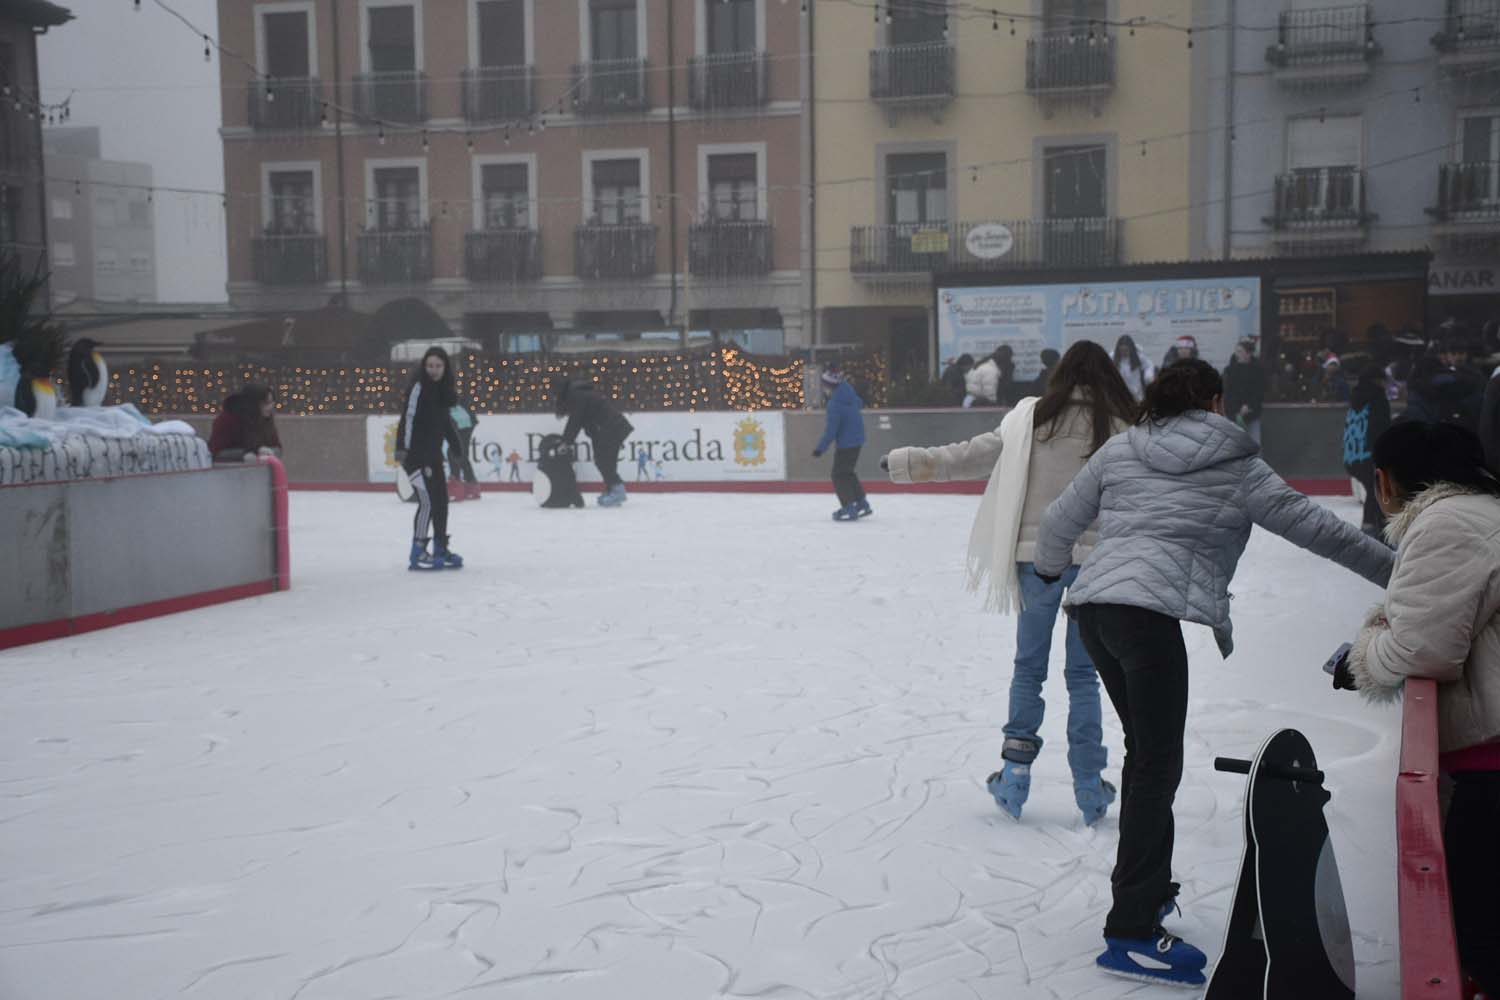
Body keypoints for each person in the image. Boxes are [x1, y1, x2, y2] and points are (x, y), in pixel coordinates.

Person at [1032, 359, 1394, 987]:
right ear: (1217, 402)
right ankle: (1132, 929)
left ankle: (1146, 891)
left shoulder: (1121, 450)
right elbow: (1322, 532)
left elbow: (1058, 522)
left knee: (1147, 758)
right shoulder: (1237, 465)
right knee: (1155, 765)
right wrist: (1401, 575)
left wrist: (1046, 569)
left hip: (1097, 612)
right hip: (1146, 623)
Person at [883, 341, 1137, 824]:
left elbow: (969, 456)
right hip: (1099, 564)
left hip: (1036, 560)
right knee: (1085, 676)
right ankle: (1088, 784)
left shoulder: (1031, 420)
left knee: (1029, 669)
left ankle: (1015, 774)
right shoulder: (1123, 424)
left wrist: (906, 462)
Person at [1342, 421, 1500, 998]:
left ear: (1384, 482)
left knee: (1481, 931)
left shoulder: (1446, 524)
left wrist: (1364, 647)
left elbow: (1421, 648)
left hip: (1492, 766)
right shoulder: (1481, 515)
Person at [395, 347, 465, 570]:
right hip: (414, 456)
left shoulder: (443, 392)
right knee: (427, 502)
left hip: (433, 457)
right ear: (424, 367)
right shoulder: (419, 388)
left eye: (438, 366)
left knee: (441, 503)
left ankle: (440, 547)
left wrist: (455, 445)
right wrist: (402, 450)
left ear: (445, 368)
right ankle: (417, 550)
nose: (434, 370)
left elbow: (444, 423)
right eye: (430, 366)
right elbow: (408, 418)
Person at [553, 376, 635, 507]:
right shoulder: (581, 394)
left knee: (603, 460)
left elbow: (575, 421)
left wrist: (566, 442)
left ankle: (618, 492)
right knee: (604, 460)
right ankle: (613, 490)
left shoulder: (577, 396)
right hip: (610, 428)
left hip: (609, 428)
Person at [813, 365, 870, 521]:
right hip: (858, 440)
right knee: (848, 472)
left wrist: (820, 449)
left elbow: (831, 431)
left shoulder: (835, 404)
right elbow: (859, 404)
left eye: (824, 384)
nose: (823, 387)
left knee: (838, 475)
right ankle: (862, 503)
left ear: (830, 385)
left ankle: (848, 507)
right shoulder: (849, 393)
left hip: (846, 444)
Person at [1343, 356, 1393, 535]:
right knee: (1378, 491)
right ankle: (1372, 530)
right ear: (1377, 380)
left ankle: (1371, 528)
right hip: (1369, 454)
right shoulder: (1378, 398)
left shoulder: (1355, 397)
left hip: (1352, 457)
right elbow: (1380, 427)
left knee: (1374, 492)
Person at [208, 383, 281, 463]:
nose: (270, 407)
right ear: (254, 404)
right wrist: (243, 455)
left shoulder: (266, 420)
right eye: (266, 403)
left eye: (272, 403)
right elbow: (215, 453)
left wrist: (269, 452)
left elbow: (277, 447)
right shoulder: (228, 420)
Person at [1221, 340, 1268, 443]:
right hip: (1233, 414)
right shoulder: (1229, 370)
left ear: (1249, 353)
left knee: (1254, 444)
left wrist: (1249, 405)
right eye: (1236, 351)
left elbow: (1259, 392)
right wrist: (1235, 410)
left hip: (1252, 414)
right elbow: (1227, 392)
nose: (1237, 354)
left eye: (1240, 351)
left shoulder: (1258, 370)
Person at [448, 400, 481, 501]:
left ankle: (456, 488)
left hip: (458, 421)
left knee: (452, 452)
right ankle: (471, 486)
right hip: (467, 420)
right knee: (462, 454)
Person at [1112, 335, 1154, 401]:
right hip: (1119, 394)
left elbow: (1149, 366)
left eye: (1126, 350)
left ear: (1131, 349)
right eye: (1122, 350)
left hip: (1136, 394)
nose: (1124, 353)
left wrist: (1148, 376)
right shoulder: (1112, 357)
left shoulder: (1139, 357)